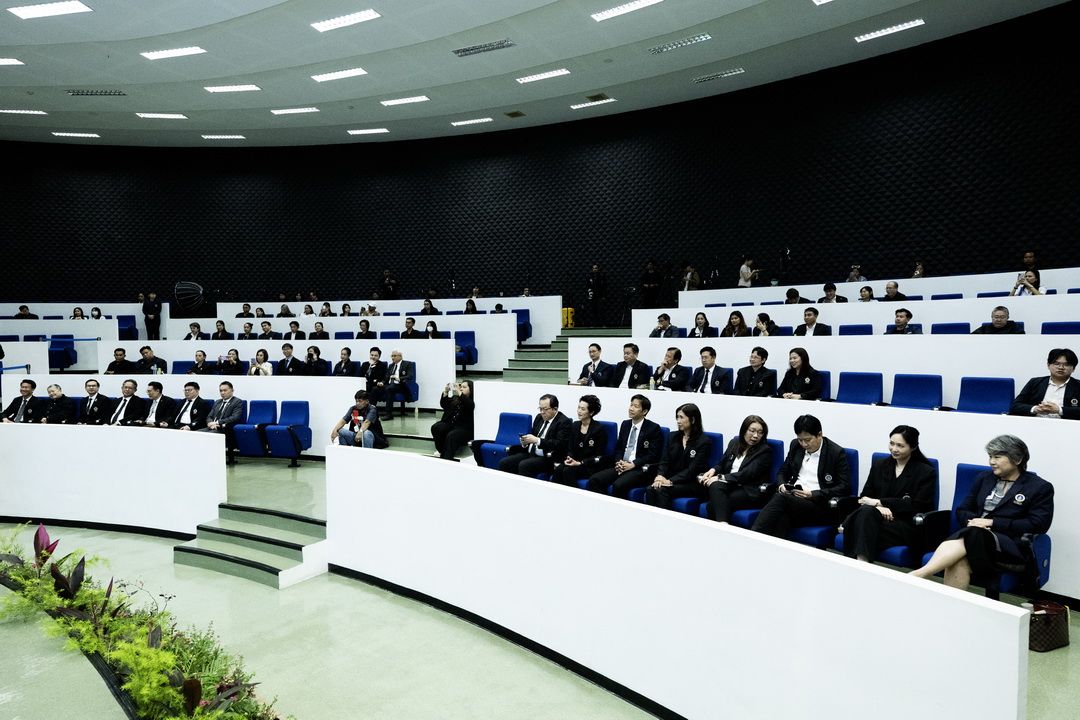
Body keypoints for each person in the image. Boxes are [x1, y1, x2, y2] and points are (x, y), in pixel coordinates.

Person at [911, 435, 1053, 590]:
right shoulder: (984, 478)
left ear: (1017, 459)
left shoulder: (1039, 487)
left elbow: (1039, 524)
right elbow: (962, 510)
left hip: (1010, 548)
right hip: (975, 541)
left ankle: (920, 574)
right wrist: (974, 522)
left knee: (974, 533)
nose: (991, 462)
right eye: (990, 456)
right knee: (960, 560)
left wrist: (992, 523)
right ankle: (950, 604)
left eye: (997, 457)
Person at [839, 425, 936, 562]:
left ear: (913, 447)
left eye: (900, 446)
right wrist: (879, 508)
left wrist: (880, 502)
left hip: (904, 525)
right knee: (865, 517)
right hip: (875, 519)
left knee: (859, 525)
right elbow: (864, 498)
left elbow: (917, 506)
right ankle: (862, 563)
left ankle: (849, 529)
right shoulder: (880, 465)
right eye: (891, 443)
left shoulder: (925, 472)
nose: (894, 449)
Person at [751, 415, 850, 537]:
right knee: (781, 517)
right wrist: (782, 485)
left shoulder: (835, 453)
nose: (804, 444)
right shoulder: (795, 446)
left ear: (819, 435)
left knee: (780, 500)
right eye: (800, 440)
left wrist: (813, 494)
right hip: (794, 501)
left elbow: (844, 487)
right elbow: (783, 471)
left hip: (819, 505)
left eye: (808, 440)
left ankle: (753, 536)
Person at [586, 394, 663, 498]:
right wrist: (619, 461)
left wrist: (633, 464)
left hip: (638, 468)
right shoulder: (625, 424)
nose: (631, 408)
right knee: (595, 480)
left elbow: (652, 455)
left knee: (618, 485)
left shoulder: (653, 428)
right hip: (622, 465)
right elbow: (619, 448)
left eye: (636, 406)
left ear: (644, 411)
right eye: (631, 405)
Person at [699, 415, 772, 523]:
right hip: (731, 485)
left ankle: (723, 525)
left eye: (760, 432)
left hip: (749, 489)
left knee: (713, 505)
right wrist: (712, 470)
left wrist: (720, 477)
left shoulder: (764, 451)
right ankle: (723, 525)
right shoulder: (734, 443)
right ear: (744, 430)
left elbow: (747, 474)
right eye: (752, 431)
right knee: (715, 487)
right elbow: (722, 463)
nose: (756, 435)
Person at [644, 404, 713, 509]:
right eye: (677, 417)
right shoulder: (672, 436)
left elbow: (692, 470)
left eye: (681, 417)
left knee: (661, 490)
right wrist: (660, 476)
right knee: (651, 488)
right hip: (672, 478)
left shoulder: (703, 442)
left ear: (693, 420)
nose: (678, 421)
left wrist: (670, 481)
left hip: (691, 482)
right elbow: (664, 461)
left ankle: (665, 518)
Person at [497, 394, 572, 477]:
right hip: (531, 453)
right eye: (540, 408)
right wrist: (525, 442)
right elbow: (532, 436)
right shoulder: (539, 417)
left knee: (524, 465)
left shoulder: (564, 422)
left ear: (555, 409)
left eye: (545, 409)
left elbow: (559, 444)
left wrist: (537, 440)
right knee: (504, 462)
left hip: (549, 458)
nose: (542, 412)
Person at [551, 394, 608, 485]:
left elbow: (599, 455)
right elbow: (570, 448)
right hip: (574, 462)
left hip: (590, 465)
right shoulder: (575, 425)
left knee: (568, 471)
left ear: (591, 412)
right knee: (558, 469)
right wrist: (569, 458)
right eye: (578, 407)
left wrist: (581, 463)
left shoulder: (599, 429)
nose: (579, 411)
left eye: (583, 409)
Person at [1010, 348, 1080, 419]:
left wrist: (1059, 410)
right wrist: (1035, 409)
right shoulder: (1035, 382)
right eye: (1056, 364)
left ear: (1073, 368)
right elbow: (1015, 406)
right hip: (1035, 422)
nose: (1061, 367)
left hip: (1066, 424)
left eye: (1066, 364)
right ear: (1048, 365)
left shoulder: (1078, 386)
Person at [199, 381, 245, 460]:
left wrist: (217, 422)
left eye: (225, 390)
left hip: (224, 428)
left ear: (232, 390)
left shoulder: (237, 402)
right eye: (221, 390)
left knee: (208, 435)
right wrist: (210, 423)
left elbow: (235, 417)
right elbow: (209, 416)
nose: (222, 393)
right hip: (212, 427)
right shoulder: (218, 402)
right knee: (196, 434)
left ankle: (211, 458)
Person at [430, 381, 475, 461]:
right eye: (461, 387)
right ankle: (442, 451)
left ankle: (447, 458)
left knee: (452, 435)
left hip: (464, 428)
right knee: (436, 427)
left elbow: (469, 405)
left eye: (464, 387)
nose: (461, 389)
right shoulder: (455, 398)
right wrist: (446, 392)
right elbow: (444, 404)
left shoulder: (472, 400)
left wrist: (458, 391)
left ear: (471, 389)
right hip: (452, 425)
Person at [373, 349, 414, 419]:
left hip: (400, 385)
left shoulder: (407, 364)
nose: (392, 358)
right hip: (390, 384)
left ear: (400, 356)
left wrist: (399, 378)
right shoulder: (391, 365)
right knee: (375, 389)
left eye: (394, 356)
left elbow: (410, 376)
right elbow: (386, 378)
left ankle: (388, 414)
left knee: (389, 389)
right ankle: (372, 411)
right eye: (392, 356)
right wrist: (382, 383)